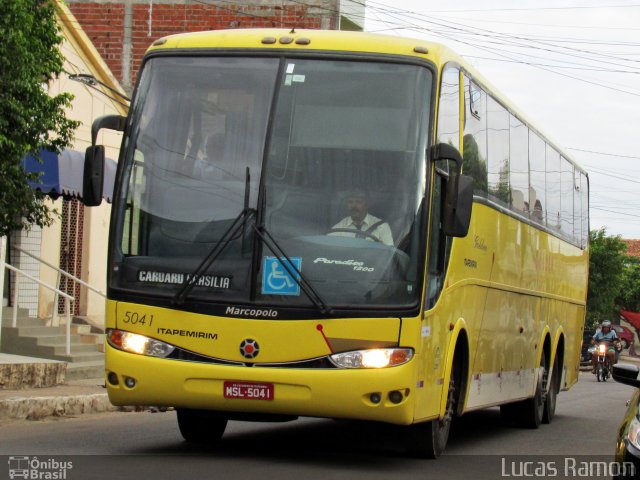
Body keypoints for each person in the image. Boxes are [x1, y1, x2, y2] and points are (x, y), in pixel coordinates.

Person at [329, 188, 393, 246]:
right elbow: (329, 250)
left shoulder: (382, 226)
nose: (354, 206)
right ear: (346, 206)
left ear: (366, 205)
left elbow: (389, 252)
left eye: (358, 202)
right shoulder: (338, 228)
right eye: (350, 202)